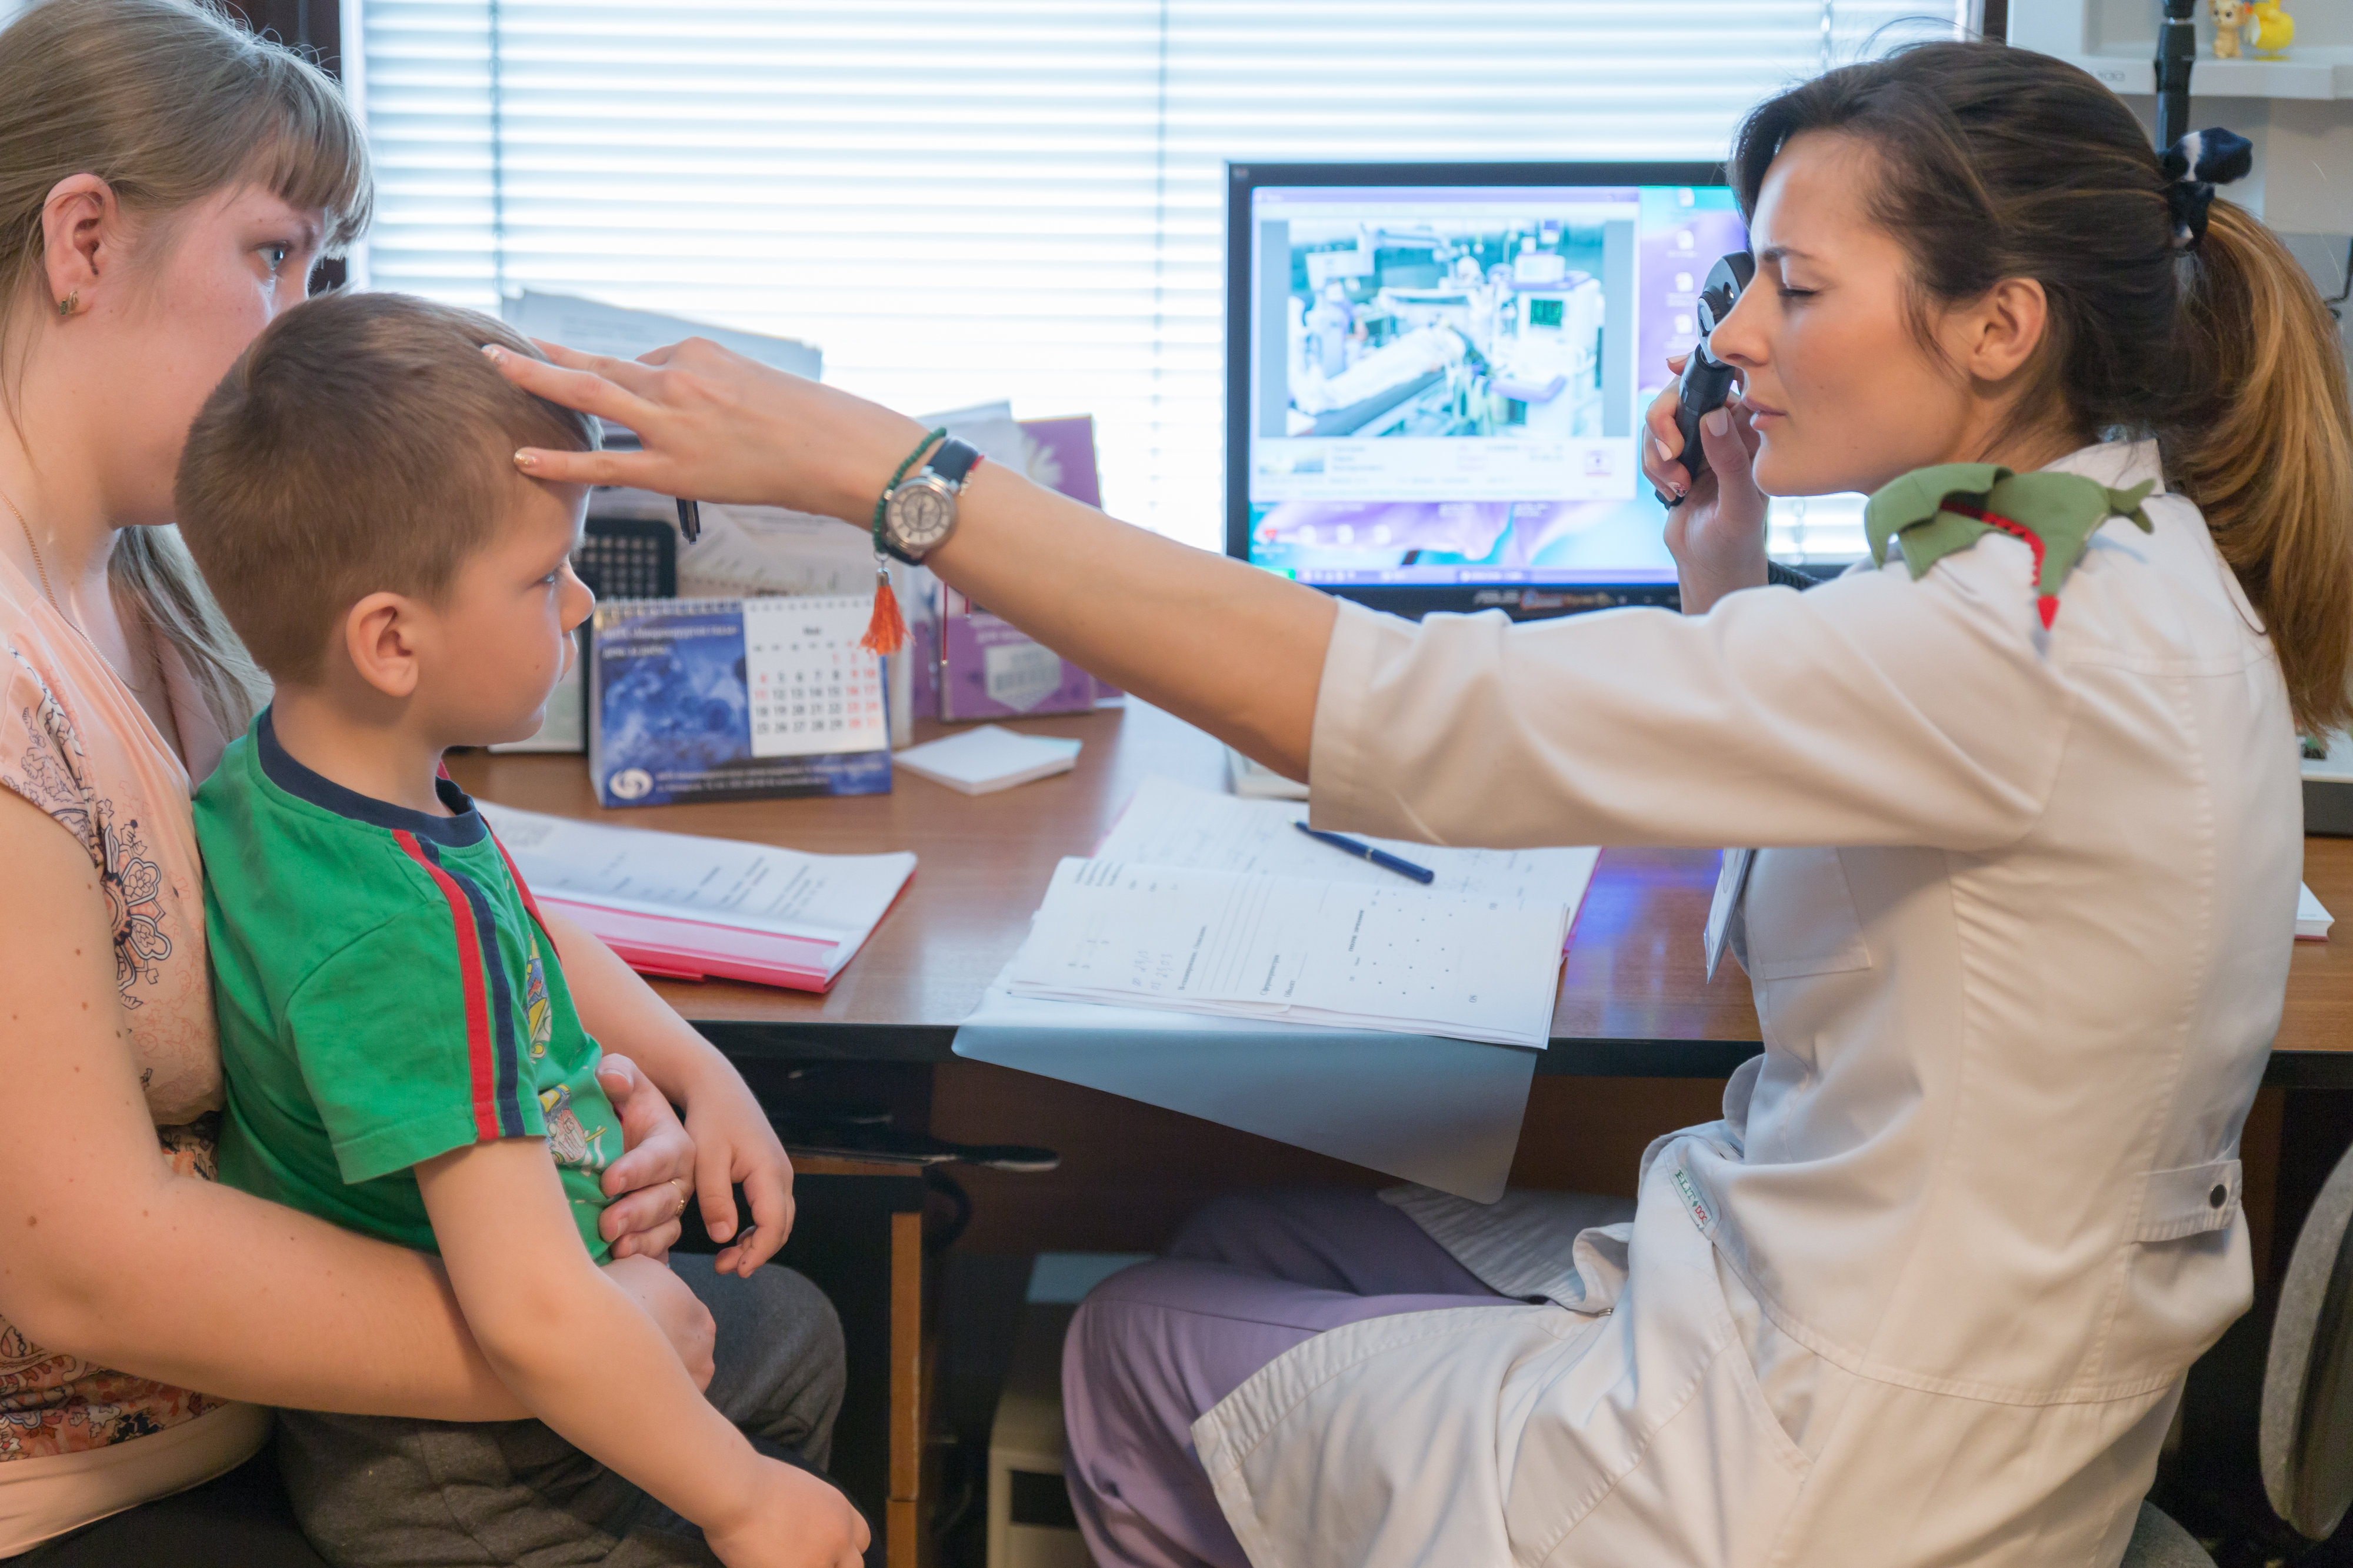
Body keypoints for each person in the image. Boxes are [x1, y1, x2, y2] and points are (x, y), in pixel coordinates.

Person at [485, 39, 2353, 1568]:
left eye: (1794, 287)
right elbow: (1863, 771)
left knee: (1138, 1340)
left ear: (1999, 325)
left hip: (1830, 1471)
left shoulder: (2001, 641)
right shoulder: (2103, 567)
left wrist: (893, 477)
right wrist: (1719, 568)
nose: (1741, 338)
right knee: (1236, 1229)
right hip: (1899, 1317)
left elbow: (1419, 715)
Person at [0, 1, 789, 1555]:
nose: (296, 325)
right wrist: (568, 1337)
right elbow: (79, 1262)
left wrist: (610, 1086)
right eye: (271, 256)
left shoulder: (163, 599)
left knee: (770, 1325)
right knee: (766, 1362)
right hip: (90, 1488)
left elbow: (403, 898)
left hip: (273, 1400)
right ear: (85, 241)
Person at [172, 290, 866, 1568]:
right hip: (462, 1474)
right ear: (392, 639)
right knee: (787, 1404)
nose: (582, 606)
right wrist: (741, 1503)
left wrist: (700, 1070)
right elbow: (538, 1314)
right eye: (543, 576)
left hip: (479, 1378)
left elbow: (534, 946)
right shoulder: (398, 935)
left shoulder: (307, 783)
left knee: (797, 1331)